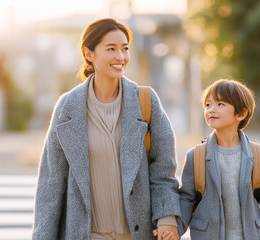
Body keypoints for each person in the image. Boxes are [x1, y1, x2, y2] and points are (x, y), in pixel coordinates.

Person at [32, 18, 181, 240]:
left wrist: (167, 217)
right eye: (111, 49)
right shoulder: (67, 107)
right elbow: (50, 185)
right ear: (89, 54)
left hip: (138, 234)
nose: (120, 57)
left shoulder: (145, 101)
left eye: (125, 49)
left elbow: (163, 169)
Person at [155, 79, 260, 240]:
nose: (211, 110)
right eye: (208, 105)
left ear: (241, 114)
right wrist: (174, 229)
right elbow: (186, 199)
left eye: (220, 104)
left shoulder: (258, 155)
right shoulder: (196, 156)